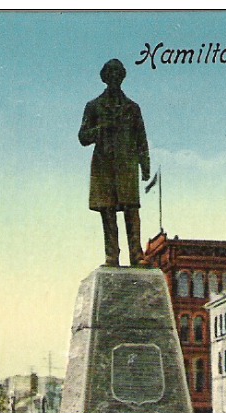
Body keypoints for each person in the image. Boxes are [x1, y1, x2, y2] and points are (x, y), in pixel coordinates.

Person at [79, 59, 151, 267]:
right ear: (104, 78)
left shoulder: (132, 108)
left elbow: (141, 139)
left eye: (117, 74)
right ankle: (112, 255)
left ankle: (136, 255)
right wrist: (101, 128)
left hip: (127, 164)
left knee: (131, 210)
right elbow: (83, 136)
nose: (114, 78)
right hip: (104, 165)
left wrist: (145, 165)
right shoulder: (93, 106)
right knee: (108, 211)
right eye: (110, 74)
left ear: (122, 77)